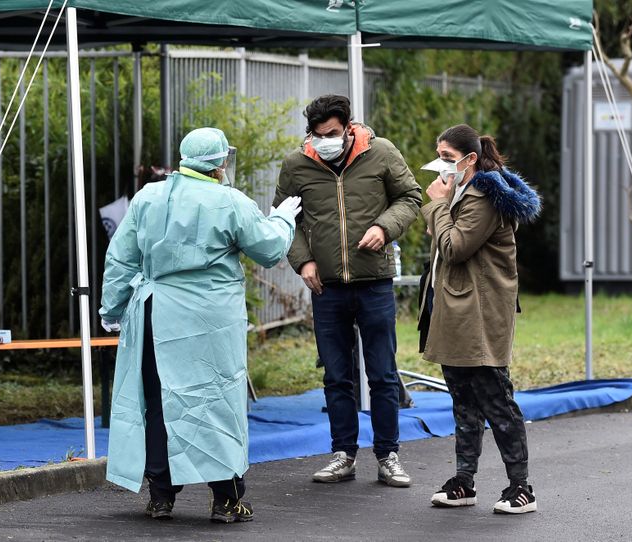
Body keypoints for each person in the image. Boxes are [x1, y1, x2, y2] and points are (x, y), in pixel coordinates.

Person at [100, 127, 301, 523]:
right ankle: (226, 500)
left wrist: (112, 307)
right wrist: (282, 219)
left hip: (156, 313)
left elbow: (121, 258)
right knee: (218, 400)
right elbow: (268, 249)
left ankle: (161, 496)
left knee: (158, 401)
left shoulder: (149, 197)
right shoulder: (230, 201)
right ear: (220, 163)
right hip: (210, 319)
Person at [273, 94, 422, 486]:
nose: (326, 140)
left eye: (333, 133)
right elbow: (282, 219)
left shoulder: (381, 152)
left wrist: (384, 227)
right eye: (319, 135)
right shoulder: (296, 165)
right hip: (327, 288)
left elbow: (411, 197)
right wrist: (303, 261)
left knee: (383, 374)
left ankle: (389, 454)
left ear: (348, 127)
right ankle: (343, 454)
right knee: (337, 376)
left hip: (373, 282)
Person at [418, 124, 541, 514]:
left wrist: (436, 204)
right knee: (462, 401)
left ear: (470, 159)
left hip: (481, 314)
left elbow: (454, 247)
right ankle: (463, 481)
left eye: (448, 158)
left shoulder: (484, 197)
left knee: (496, 400)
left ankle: (522, 488)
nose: (441, 166)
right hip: (456, 309)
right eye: (438, 155)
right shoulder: (461, 191)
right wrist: (442, 205)